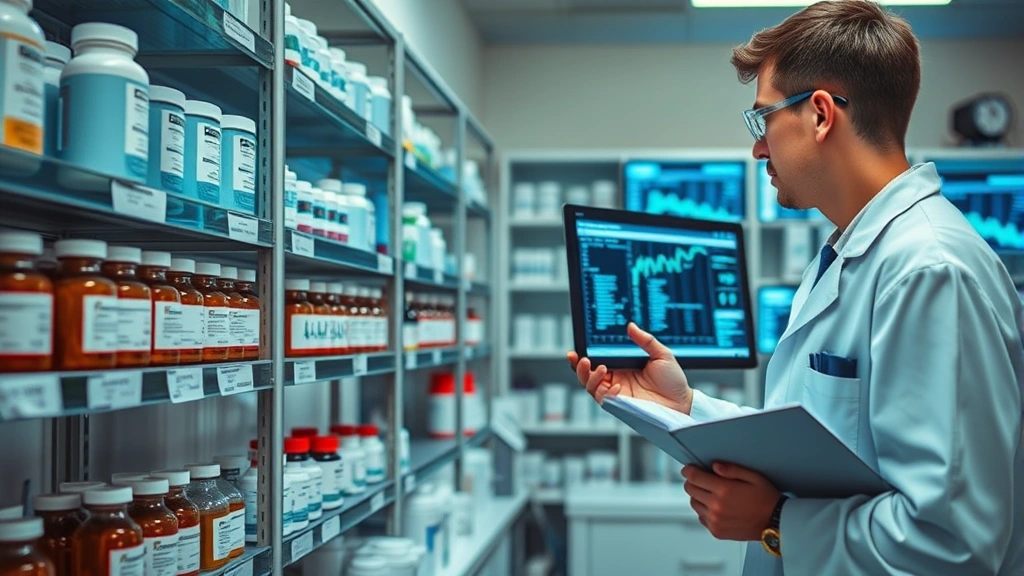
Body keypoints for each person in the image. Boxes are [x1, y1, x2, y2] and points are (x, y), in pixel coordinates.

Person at [567, 1, 1024, 574]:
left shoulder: (930, 270)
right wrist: (684, 409)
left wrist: (777, 522)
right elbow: (816, 444)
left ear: (821, 115)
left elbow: (952, 545)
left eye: (762, 120)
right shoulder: (845, 253)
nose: (758, 148)